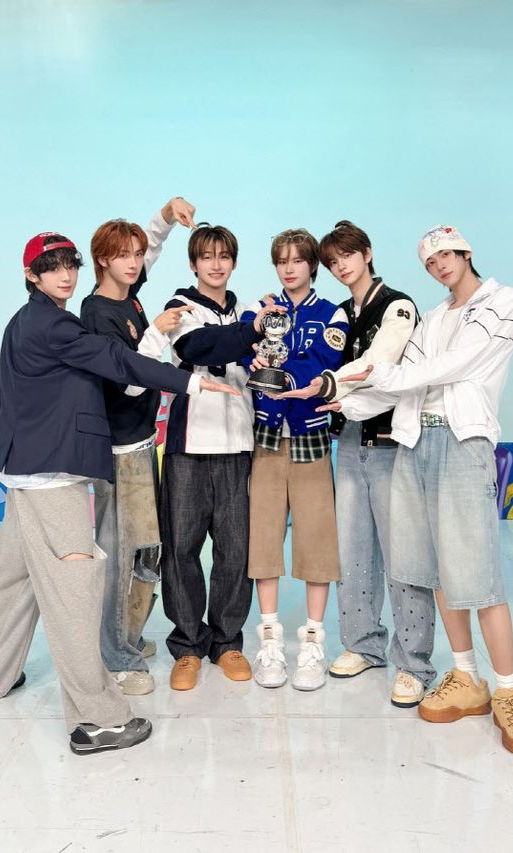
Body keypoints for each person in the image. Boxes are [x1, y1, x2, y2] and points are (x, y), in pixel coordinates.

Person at [0, 232, 238, 755]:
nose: (65, 275)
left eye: (70, 264)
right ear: (32, 275)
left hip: (24, 471)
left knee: (8, 579)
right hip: (52, 476)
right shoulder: (55, 324)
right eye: (51, 267)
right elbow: (118, 360)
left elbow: (1, 385)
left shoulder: (23, 321)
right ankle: (96, 719)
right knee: (73, 592)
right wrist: (191, 383)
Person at [318, 225, 513, 755]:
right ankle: (465, 677)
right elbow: (401, 384)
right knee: (433, 569)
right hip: (414, 442)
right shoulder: (435, 317)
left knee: (478, 572)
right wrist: (341, 401)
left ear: (465, 252)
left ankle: (509, 691)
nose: (439, 265)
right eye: (430, 261)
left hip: (463, 442)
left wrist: (377, 376)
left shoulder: (503, 301)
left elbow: (450, 366)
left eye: (445, 255)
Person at [280, 220, 436, 707]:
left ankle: (413, 663)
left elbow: (379, 361)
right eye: (332, 261)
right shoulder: (342, 313)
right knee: (352, 549)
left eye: (348, 255)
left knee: (403, 554)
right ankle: (363, 645)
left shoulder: (398, 305)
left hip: (391, 443)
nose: (341, 265)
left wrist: (329, 383)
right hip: (347, 440)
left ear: (367, 253)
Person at [80, 198, 197, 697]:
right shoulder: (96, 313)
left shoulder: (128, 297)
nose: (133, 262)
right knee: (121, 555)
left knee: (147, 549)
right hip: (119, 451)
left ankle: (127, 637)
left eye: (135, 253)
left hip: (143, 442)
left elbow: (150, 250)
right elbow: (126, 383)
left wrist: (166, 215)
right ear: (101, 260)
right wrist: (156, 334)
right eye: (121, 255)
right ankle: (115, 656)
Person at [160, 223, 284, 691]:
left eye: (224, 256)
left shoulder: (248, 310)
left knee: (235, 550)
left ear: (233, 262)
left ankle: (227, 641)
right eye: (207, 256)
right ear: (193, 263)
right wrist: (251, 329)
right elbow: (197, 347)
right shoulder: (181, 306)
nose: (216, 264)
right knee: (182, 550)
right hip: (190, 447)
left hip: (237, 448)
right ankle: (188, 646)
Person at [241, 228, 348, 692]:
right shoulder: (259, 310)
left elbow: (325, 364)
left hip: (311, 440)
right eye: (281, 261)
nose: (289, 268)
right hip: (265, 440)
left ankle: (312, 644)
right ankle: (269, 642)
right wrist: (257, 356)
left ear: (312, 266)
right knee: (263, 540)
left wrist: (276, 367)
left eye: (297, 260)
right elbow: (247, 358)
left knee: (317, 541)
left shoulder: (332, 314)